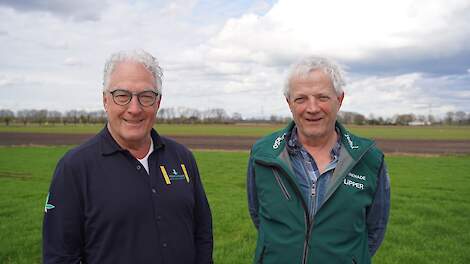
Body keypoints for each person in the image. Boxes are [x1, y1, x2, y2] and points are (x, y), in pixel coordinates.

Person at [43, 50, 213, 264]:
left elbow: (202, 230)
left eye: (146, 96)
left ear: (157, 103)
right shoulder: (74, 168)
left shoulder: (182, 157)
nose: (134, 108)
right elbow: (60, 256)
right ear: (106, 100)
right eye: (122, 96)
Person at [247, 56, 390, 264]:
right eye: (301, 99)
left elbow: (374, 230)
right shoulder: (263, 154)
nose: (312, 108)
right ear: (289, 103)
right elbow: (258, 216)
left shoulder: (369, 158)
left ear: (339, 100)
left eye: (322, 97)